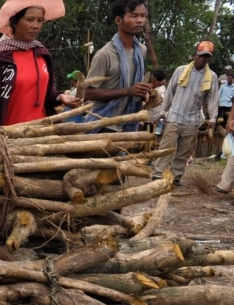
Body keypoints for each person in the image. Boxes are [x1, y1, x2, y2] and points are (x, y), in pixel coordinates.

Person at [0, 0, 79, 126]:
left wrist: (60, 97)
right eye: (30, 19)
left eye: (40, 20)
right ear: (14, 22)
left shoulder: (42, 54)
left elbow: (46, 92)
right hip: (11, 133)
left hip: (41, 132)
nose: (36, 25)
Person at [150, 41, 219, 187]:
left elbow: (213, 99)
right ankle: (157, 174)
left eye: (206, 57)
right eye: (200, 56)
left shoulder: (211, 77)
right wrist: (163, 111)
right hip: (174, 115)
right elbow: (169, 93)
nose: (202, 59)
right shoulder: (181, 70)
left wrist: (213, 119)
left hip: (193, 119)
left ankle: (175, 177)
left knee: (184, 151)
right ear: (194, 55)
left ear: (209, 58)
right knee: (167, 147)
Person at [83, 0, 153, 131]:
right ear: (118, 20)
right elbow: (87, 93)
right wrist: (127, 91)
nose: (140, 20)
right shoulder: (104, 55)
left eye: (142, 16)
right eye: (133, 16)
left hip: (129, 122)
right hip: (104, 123)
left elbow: (134, 86)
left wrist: (144, 93)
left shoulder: (141, 50)